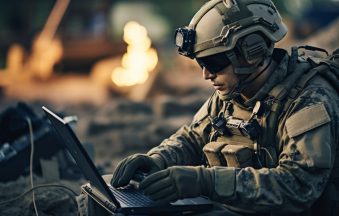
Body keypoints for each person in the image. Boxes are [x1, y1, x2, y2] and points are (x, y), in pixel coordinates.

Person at [111, 0, 339, 215]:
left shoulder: (309, 99)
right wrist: (157, 160)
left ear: (251, 52)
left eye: (214, 63)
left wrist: (205, 181)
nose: (206, 74)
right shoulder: (236, 90)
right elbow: (193, 138)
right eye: (201, 63)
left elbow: (298, 186)